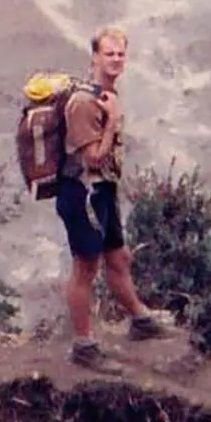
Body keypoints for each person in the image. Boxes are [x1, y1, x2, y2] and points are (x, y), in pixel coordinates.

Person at [58, 24, 171, 366]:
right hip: (82, 194)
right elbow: (92, 156)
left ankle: (140, 320)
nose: (116, 60)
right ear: (95, 57)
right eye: (109, 53)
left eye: (121, 53)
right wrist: (112, 121)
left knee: (118, 257)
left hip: (102, 190)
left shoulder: (104, 96)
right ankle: (84, 347)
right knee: (85, 268)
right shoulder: (82, 103)